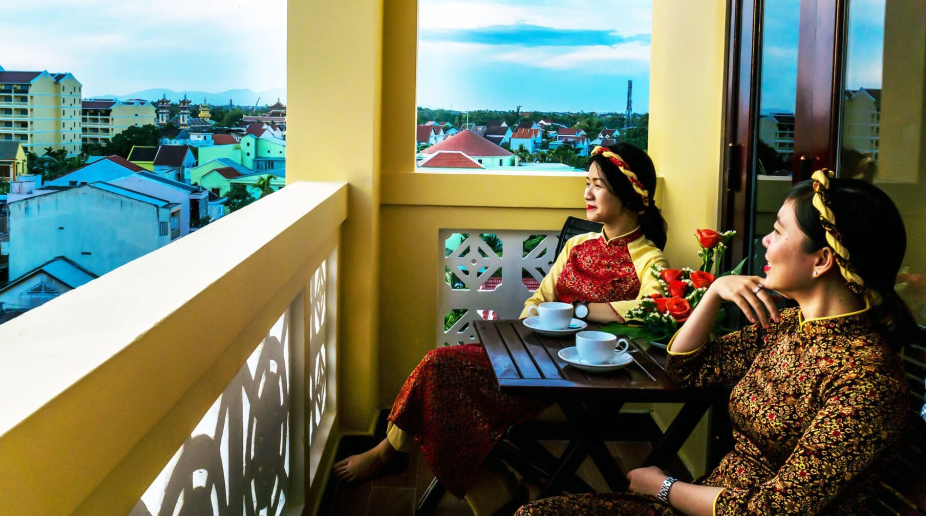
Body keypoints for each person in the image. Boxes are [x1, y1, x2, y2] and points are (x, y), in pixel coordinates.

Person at [516, 171, 921, 516]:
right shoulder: (786, 326)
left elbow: (774, 510)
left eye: (778, 231)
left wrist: (663, 487)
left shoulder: (867, 380)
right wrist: (713, 293)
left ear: (822, 261)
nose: (765, 240)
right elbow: (685, 370)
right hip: (707, 498)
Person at [332, 143, 669, 516]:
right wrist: (541, 322)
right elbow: (536, 302)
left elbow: (658, 311)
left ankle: (480, 489)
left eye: (598, 185)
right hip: (534, 365)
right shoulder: (577, 244)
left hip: (577, 387)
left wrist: (586, 311)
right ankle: (491, 494)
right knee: (440, 370)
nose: (587, 193)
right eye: (586, 183)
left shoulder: (649, 259)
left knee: (443, 378)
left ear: (629, 193)